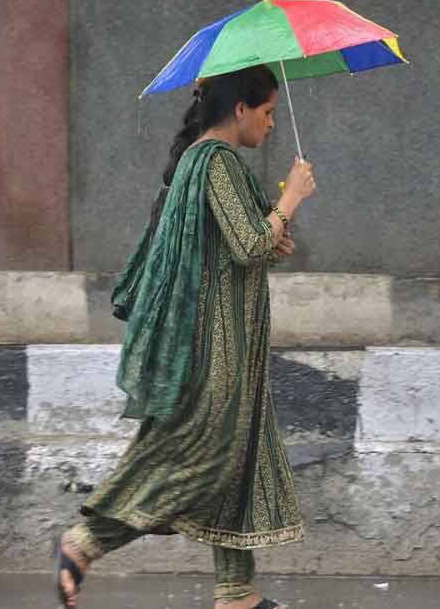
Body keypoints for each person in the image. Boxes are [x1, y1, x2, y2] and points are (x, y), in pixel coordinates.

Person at [52, 64, 318, 609]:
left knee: (237, 456)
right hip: (214, 350)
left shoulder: (211, 164)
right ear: (239, 109)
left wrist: (276, 232)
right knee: (205, 458)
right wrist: (290, 199)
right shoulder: (214, 162)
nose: (271, 124)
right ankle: (85, 542)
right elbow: (247, 245)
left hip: (234, 346)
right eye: (267, 113)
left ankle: (237, 592)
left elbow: (238, 247)